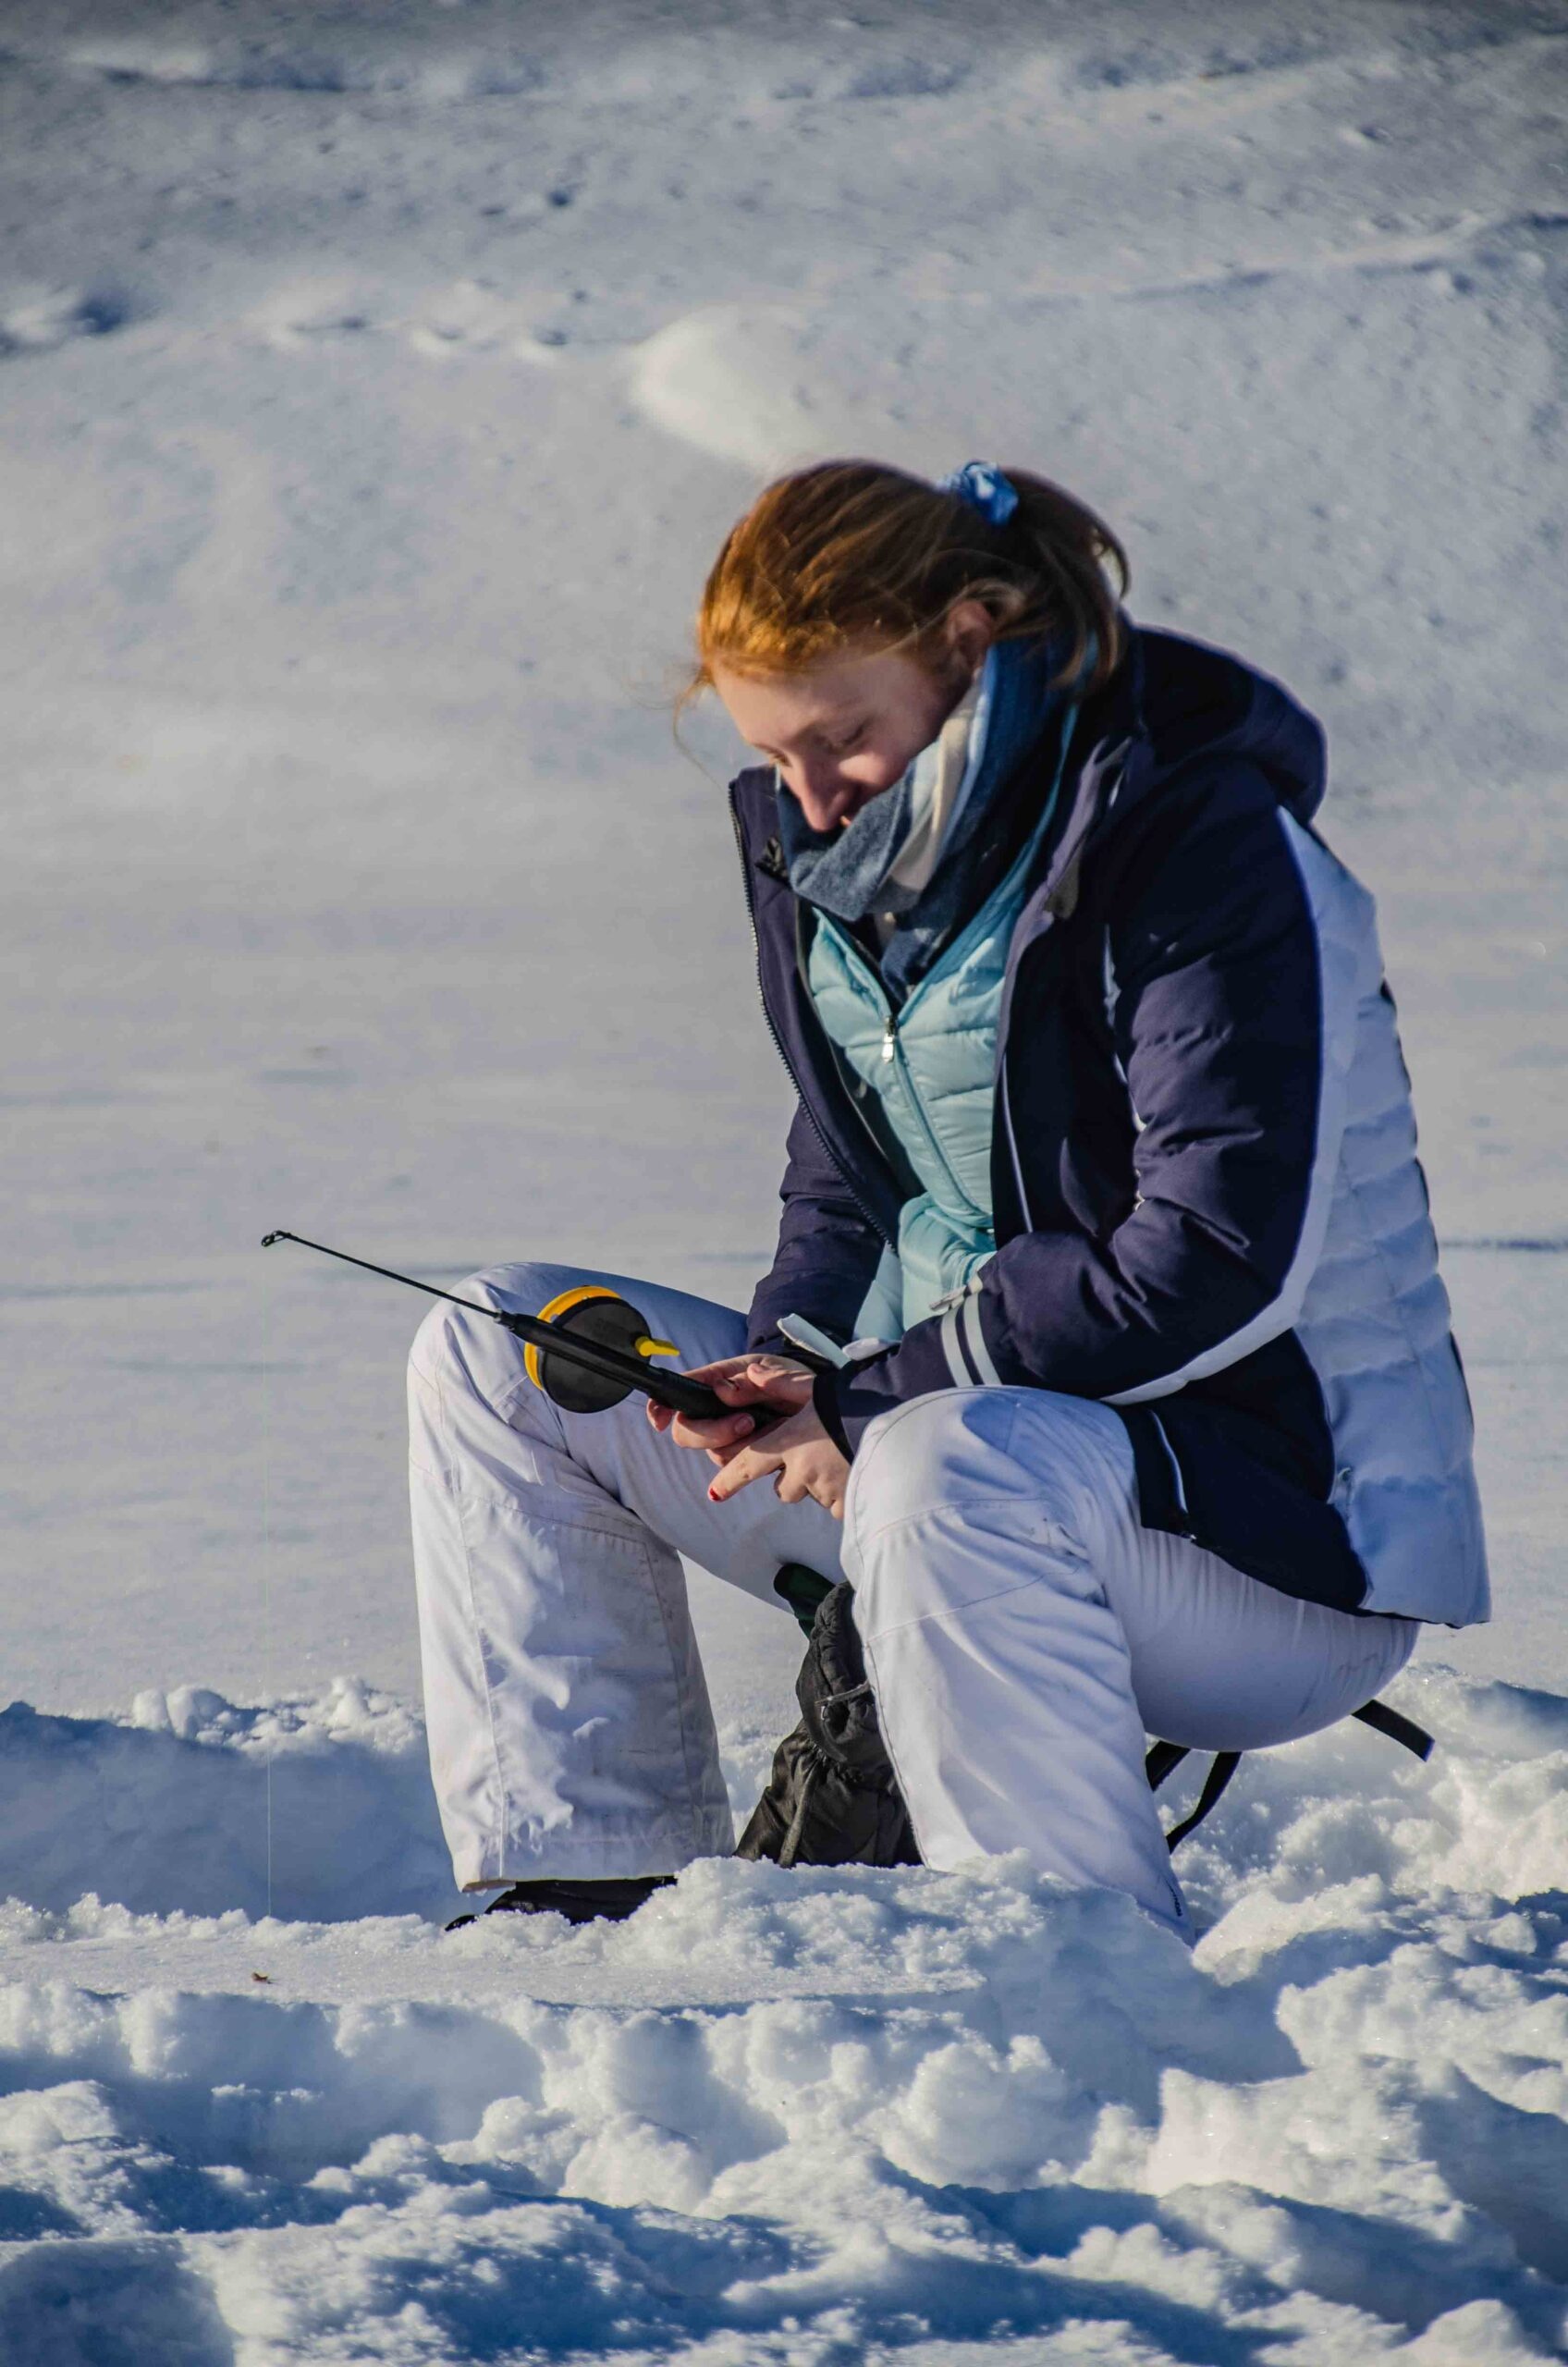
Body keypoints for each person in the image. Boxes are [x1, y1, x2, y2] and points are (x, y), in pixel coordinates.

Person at [407, 459, 1488, 1941]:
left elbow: (1216, 1255)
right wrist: (782, 1370)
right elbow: (849, 1182)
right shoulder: (847, 865)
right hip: (939, 1461)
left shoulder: (1197, 840)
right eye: (778, 757)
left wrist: (871, 1406)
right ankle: (587, 1892)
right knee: (506, 1346)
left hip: (1265, 1550)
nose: (811, 794)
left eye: (841, 737)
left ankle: (1059, 1960)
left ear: (971, 638)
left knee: (946, 1465)